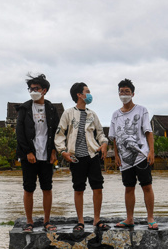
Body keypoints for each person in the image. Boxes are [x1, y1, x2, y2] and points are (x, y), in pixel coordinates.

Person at [55, 82, 110, 233]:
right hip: (76, 157)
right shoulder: (68, 113)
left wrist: (104, 144)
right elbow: (60, 134)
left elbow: (100, 133)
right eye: (87, 91)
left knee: (97, 187)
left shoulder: (92, 114)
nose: (90, 94)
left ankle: (97, 220)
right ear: (79, 95)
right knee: (78, 189)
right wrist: (63, 151)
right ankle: (80, 221)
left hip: (92, 155)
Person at [109, 78, 158, 230]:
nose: (124, 94)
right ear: (118, 94)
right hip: (125, 160)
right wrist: (116, 155)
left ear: (133, 94)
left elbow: (148, 132)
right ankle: (129, 218)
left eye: (127, 92)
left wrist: (151, 151)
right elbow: (115, 138)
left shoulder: (141, 110)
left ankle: (150, 218)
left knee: (147, 186)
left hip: (141, 155)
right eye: (121, 92)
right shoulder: (115, 115)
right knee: (128, 188)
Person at [16, 73, 60, 233]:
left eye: (36, 88)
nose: (33, 91)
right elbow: (19, 132)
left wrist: (54, 151)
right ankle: (29, 221)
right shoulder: (25, 108)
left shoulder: (51, 108)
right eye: (30, 89)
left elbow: (56, 131)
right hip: (29, 155)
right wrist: (27, 151)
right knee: (28, 188)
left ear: (44, 90)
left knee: (47, 187)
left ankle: (47, 221)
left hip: (47, 154)